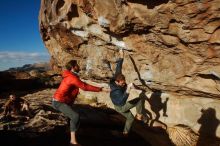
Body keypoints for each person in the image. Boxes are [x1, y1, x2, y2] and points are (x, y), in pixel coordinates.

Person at [52, 60, 108, 146]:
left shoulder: (71, 76)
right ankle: (73, 141)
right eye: (77, 65)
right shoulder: (72, 77)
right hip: (59, 102)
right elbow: (84, 87)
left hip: (65, 101)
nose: (79, 66)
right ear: (73, 67)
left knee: (71, 117)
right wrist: (101, 89)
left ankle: (69, 131)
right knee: (75, 116)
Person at [109, 49, 145, 135]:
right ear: (117, 82)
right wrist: (128, 90)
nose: (123, 84)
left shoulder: (117, 77)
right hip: (120, 106)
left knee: (130, 118)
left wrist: (121, 56)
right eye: (122, 84)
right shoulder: (116, 91)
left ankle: (125, 133)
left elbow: (118, 67)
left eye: (124, 82)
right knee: (139, 100)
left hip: (117, 106)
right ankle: (139, 116)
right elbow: (122, 102)